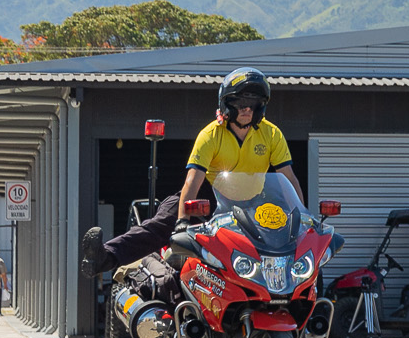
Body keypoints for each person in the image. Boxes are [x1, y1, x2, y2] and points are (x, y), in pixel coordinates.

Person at [83, 68, 301, 277]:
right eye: (240, 102)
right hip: (210, 198)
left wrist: (302, 218)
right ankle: (105, 256)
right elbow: (192, 182)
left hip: (253, 204)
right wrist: (182, 222)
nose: (246, 109)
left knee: (283, 239)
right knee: (164, 221)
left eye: (253, 104)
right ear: (226, 104)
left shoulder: (272, 134)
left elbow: (289, 180)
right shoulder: (210, 134)